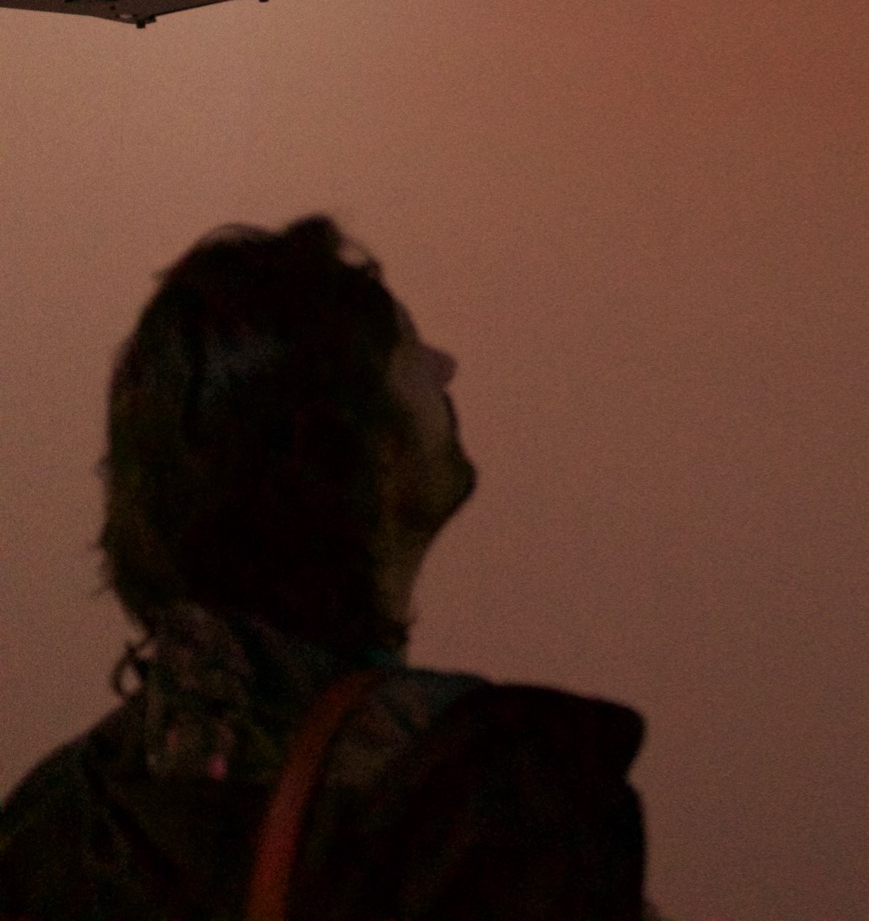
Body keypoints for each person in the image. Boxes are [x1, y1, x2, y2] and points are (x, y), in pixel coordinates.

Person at [0, 215, 654, 918]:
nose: (446, 368)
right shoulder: (488, 797)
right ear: (359, 446)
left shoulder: (51, 820)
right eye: (412, 356)